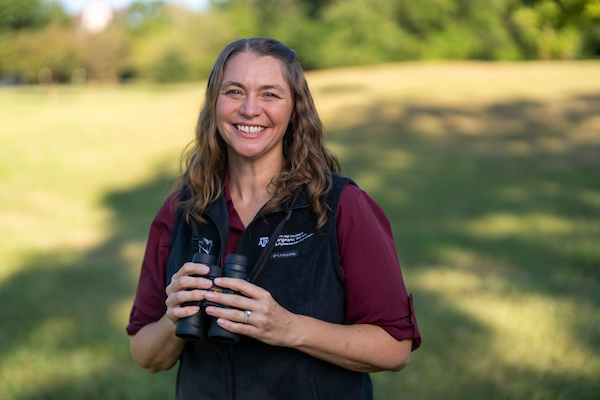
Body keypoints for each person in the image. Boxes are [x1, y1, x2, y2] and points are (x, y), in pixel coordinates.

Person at [127, 37, 420, 400]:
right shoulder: (182, 211)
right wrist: (173, 318)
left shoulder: (342, 206)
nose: (250, 109)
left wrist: (289, 328)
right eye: (234, 91)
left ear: (295, 109)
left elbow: (394, 348)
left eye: (270, 94)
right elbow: (145, 354)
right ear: (213, 104)